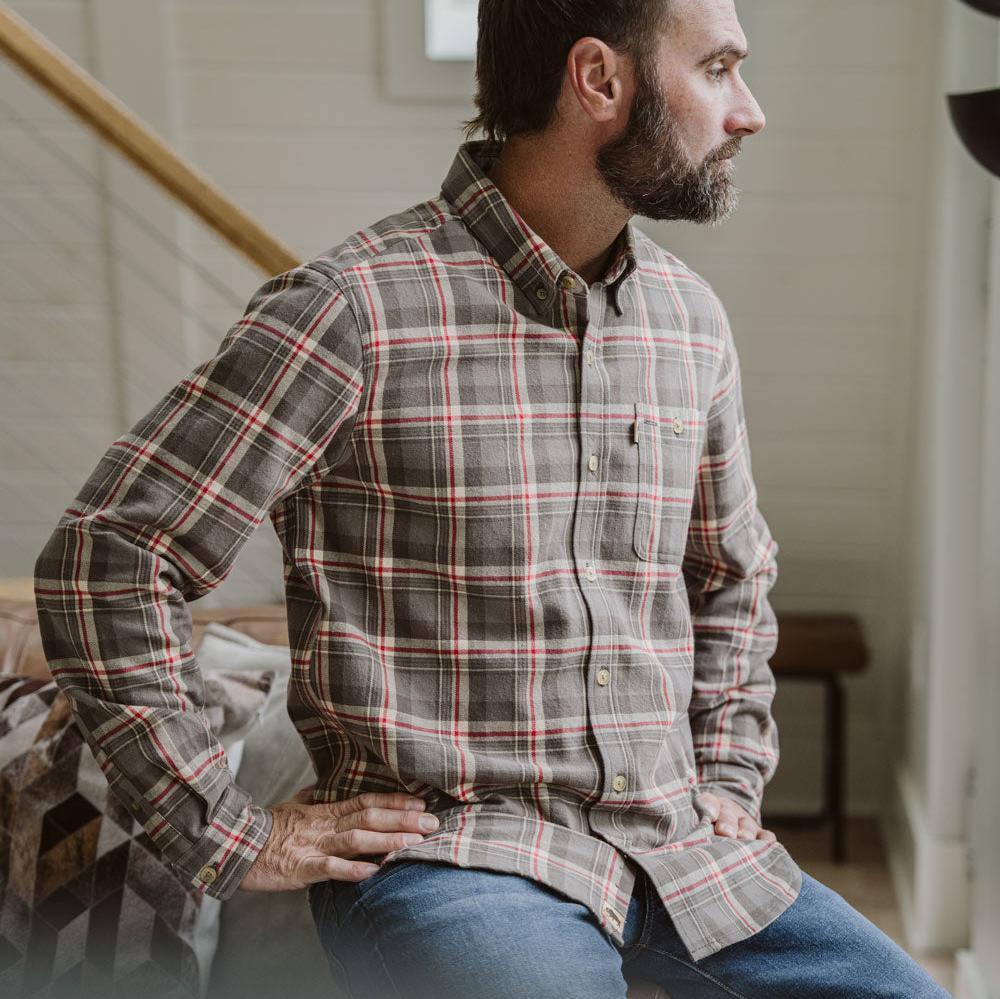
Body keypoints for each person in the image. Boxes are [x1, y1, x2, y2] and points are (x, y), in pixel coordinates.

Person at [32, 0, 952, 996]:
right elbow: (110, 556)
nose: (749, 112)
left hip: (682, 850)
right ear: (598, 79)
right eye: (719, 67)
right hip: (460, 864)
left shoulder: (689, 323)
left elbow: (728, 573)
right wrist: (223, 830)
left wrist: (726, 775)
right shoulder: (353, 311)